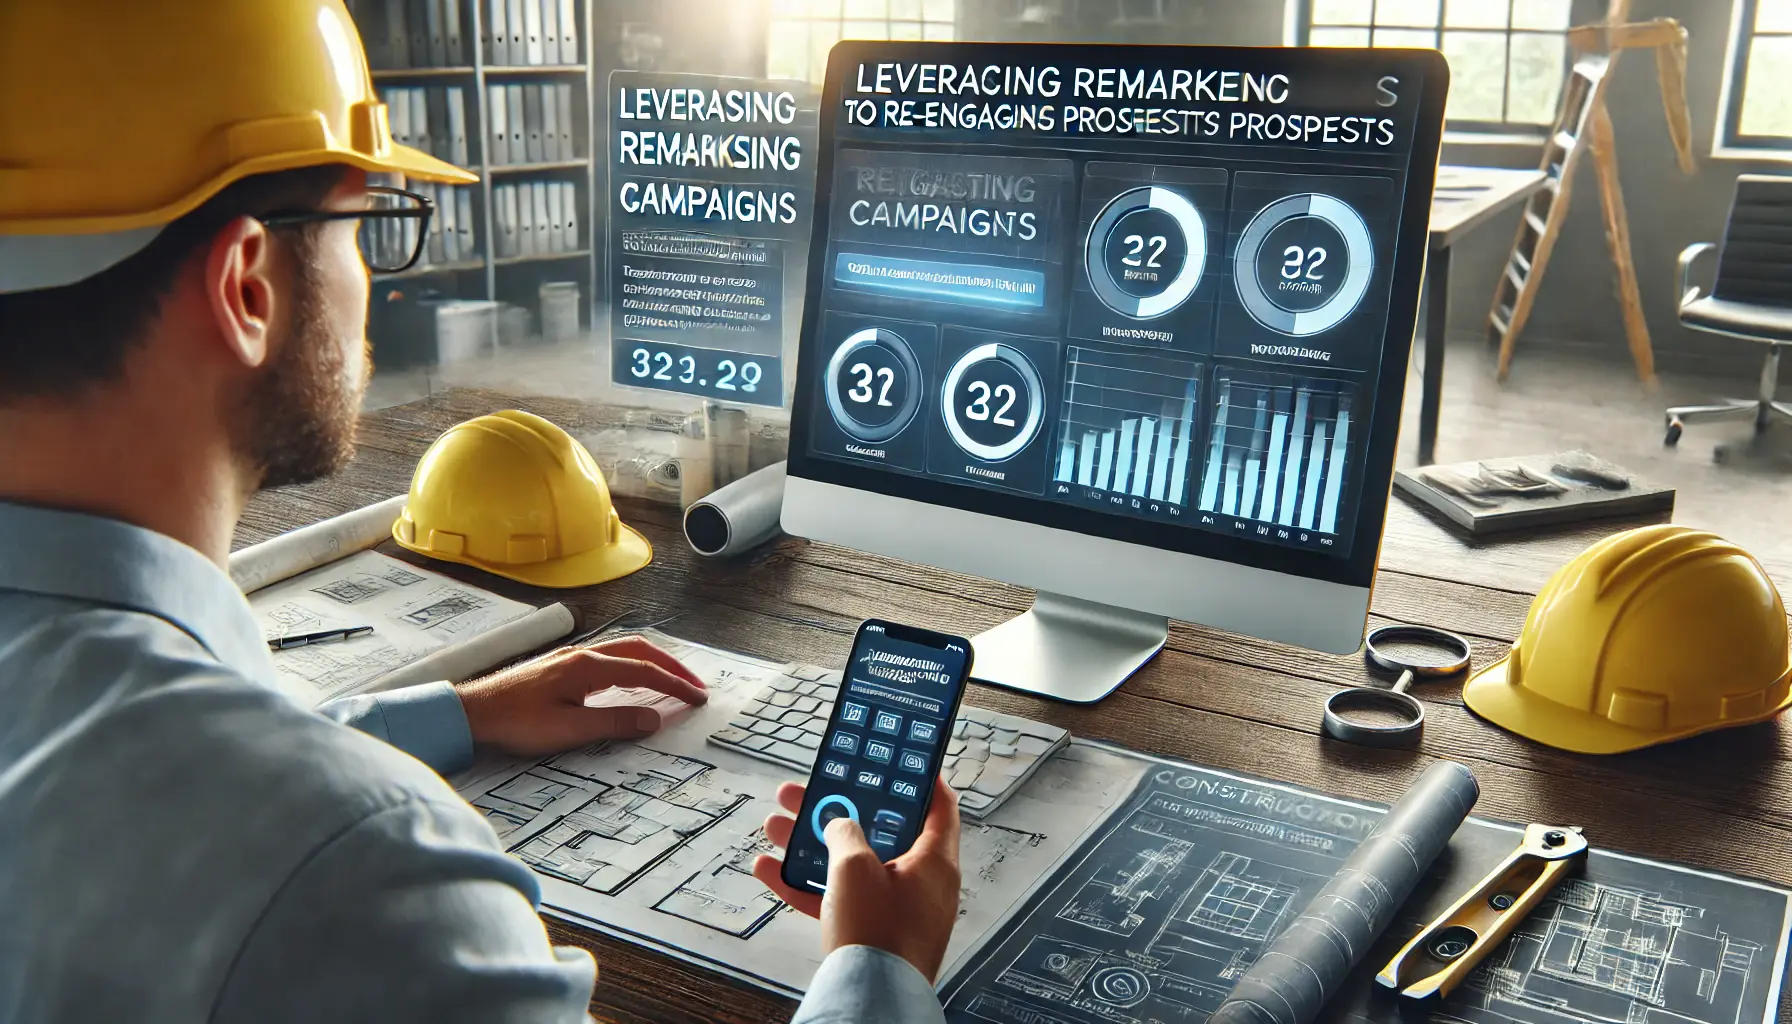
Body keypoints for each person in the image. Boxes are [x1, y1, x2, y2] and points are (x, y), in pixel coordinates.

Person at [0, 1, 959, 1020]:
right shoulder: (363, 877)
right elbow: (266, 827)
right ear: (248, 287)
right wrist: (876, 969)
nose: (370, 281)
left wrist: (459, 714)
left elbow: (152, 794)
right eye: (364, 224)